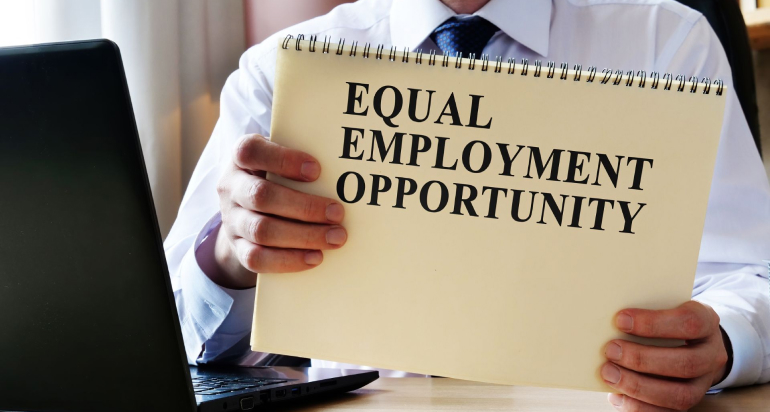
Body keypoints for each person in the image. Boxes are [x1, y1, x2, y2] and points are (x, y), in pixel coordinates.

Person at [163, 0, 770, 410]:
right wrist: (229, 257)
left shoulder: (667, 43)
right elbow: (171, 340)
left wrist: (720, 342)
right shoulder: (283, 70)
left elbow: (755, 277)